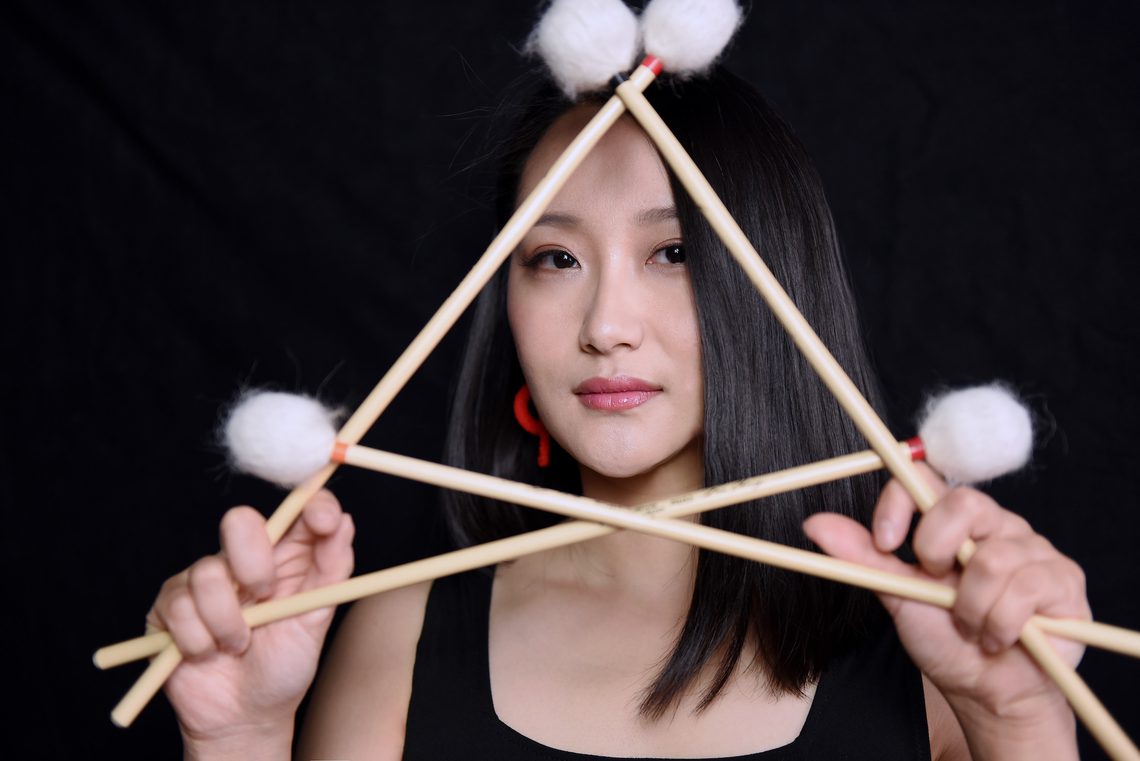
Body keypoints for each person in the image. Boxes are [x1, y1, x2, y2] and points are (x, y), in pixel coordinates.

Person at [149, 68, 1090, 760]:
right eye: (554, 259)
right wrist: (239, 736)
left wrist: (1021, 718)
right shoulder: (398, 629)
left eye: (673, 252)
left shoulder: (941, 641)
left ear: (776, 288)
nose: (605, 326)